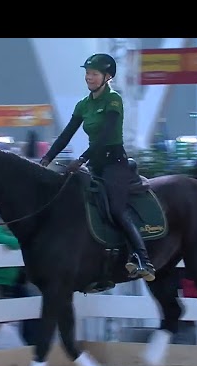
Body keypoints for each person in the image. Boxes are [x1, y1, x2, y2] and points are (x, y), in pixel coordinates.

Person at [39, 53, 155, 281]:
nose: (88, 78)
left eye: (93, 74)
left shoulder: (114, 100)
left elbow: (104, 137)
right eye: (87, 73)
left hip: (115, 163)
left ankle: (142, 258)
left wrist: (81, 160)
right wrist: (45, 160)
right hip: (95, 165)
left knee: (116, 209)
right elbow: (65, 136)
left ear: (107, 76)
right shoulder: (83, 105)